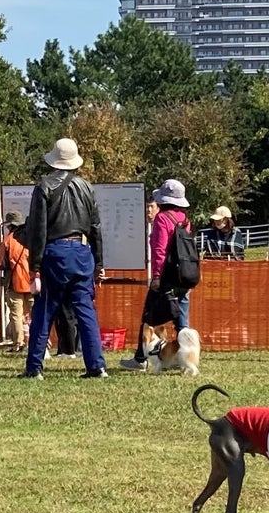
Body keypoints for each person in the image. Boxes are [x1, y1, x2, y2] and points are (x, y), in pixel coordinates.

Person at [22, 137, 108, 380]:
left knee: (45, 309)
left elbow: (38, 230)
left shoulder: (44, 186)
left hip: (55, 252)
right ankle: (96, 366)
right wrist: (99, 263)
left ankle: (35, 367)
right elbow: (96, 228)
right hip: (82, 252)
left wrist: (34, 265)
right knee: (85, 311)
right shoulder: (87, 187)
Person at [122, 180, 194, 370]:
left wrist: (156, 277)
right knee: (182, 322)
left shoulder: (162, 218)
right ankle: (183, 360)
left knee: (149, 317)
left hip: (166, 277)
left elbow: (159, 251)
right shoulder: (184, 219)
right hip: (183, 276)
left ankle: (140, 359)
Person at [0, 211, 35, 349]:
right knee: (35, 313)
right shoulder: (30, 239)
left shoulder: (8, 240)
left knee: (16, 314)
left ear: (10, 226)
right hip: (32, 281)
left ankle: (18, 343)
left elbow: (0, 263)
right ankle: (41, 342)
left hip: (15, 281)